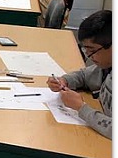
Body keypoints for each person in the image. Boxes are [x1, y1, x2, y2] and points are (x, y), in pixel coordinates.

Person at [46, 10, 111, 139]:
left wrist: (81, 108)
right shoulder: (107, 65)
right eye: (85, 50)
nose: (89, 56)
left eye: (92, 51)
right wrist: (64, 81)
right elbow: (84, 76)